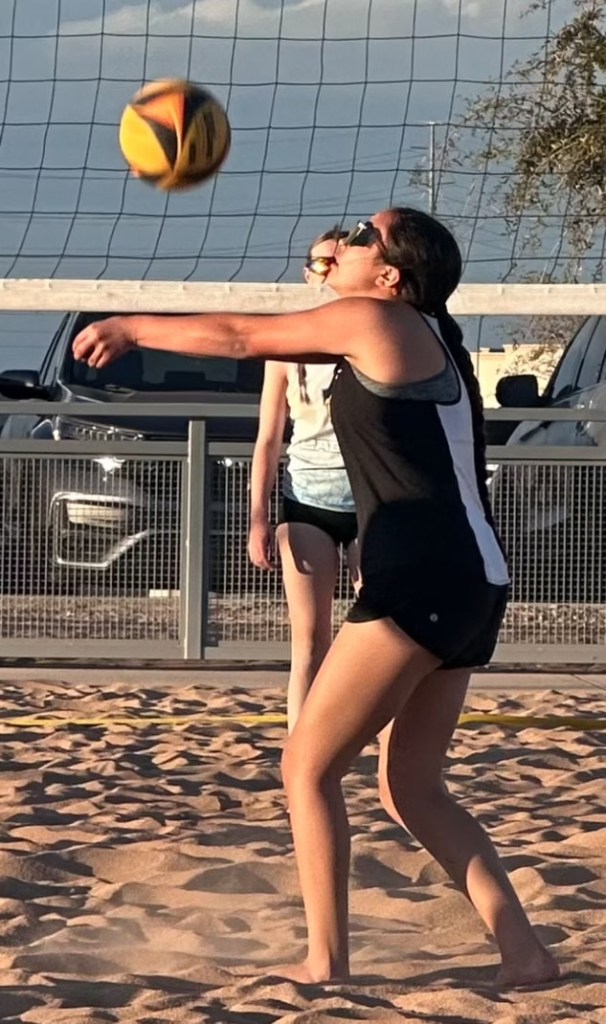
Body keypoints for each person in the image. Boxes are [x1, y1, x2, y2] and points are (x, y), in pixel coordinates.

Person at [72, 207, 559, 989]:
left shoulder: (380, 320)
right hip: (472, 577)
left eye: (365, 237)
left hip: (426, 575)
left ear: (391, 276)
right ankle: (524, 952)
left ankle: (325, 962)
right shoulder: (426, 333)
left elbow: (242, 338)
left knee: (306, 769)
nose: (349, 244)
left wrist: (130, 326)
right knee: (411, 788)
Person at [248, 226, 358, 732]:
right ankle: (301, 749)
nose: (328, 272)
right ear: (306, 273)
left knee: (379, 639)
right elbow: (268, 439)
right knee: (310, 642)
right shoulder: (286, 346)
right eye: (320, 263)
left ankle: (383, 748)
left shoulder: (374, 335)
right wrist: (258, 519)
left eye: (339, 262)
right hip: (308, 499)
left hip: (371, 500)